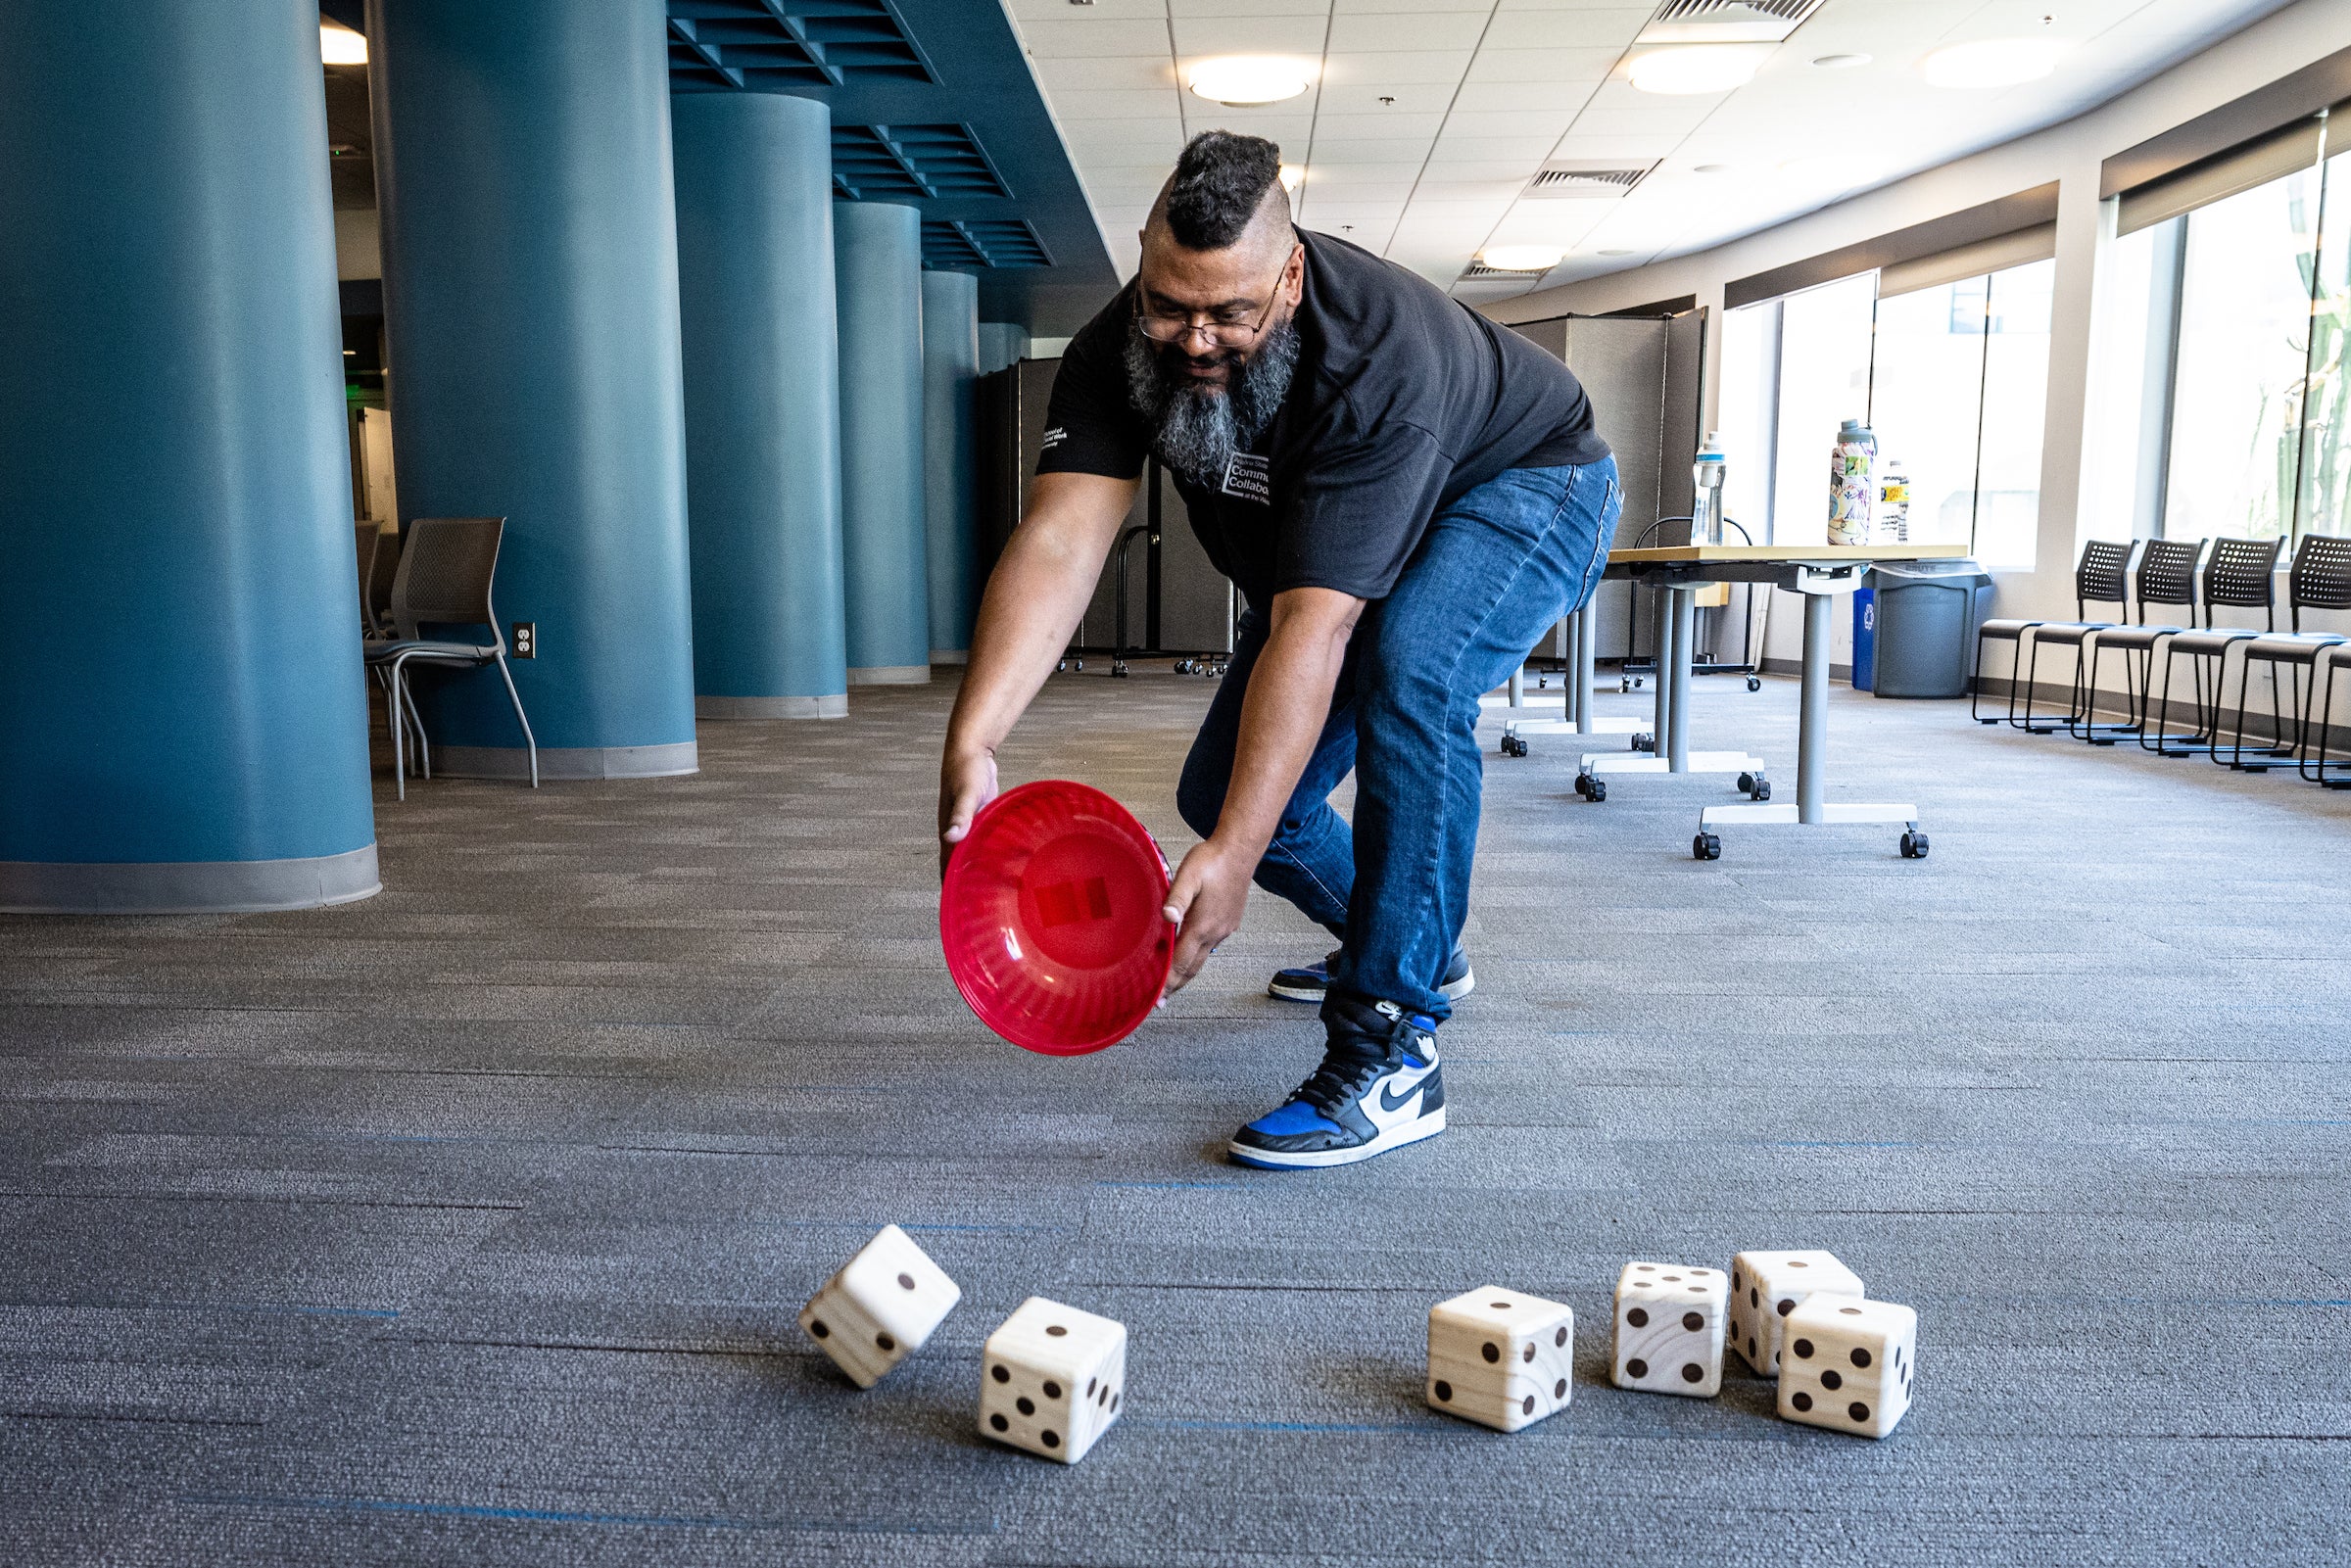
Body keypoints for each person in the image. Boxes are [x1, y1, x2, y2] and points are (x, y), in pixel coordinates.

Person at [938, 130, 1617, 1170]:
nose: (1197, 339)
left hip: (1525, 483)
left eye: (1232, 312)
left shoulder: (1377, 359)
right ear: (1143, 255)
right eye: (1172, 304)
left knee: (1415, 675)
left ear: (1290, 274)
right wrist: (977, 735)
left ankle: (1391, 1043)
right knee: (1226, 799)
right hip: (1331, 553)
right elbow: (1063, 535)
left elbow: (1318, 626)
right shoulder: (1116, 348)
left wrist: (1237, 866)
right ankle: (1413, 940)